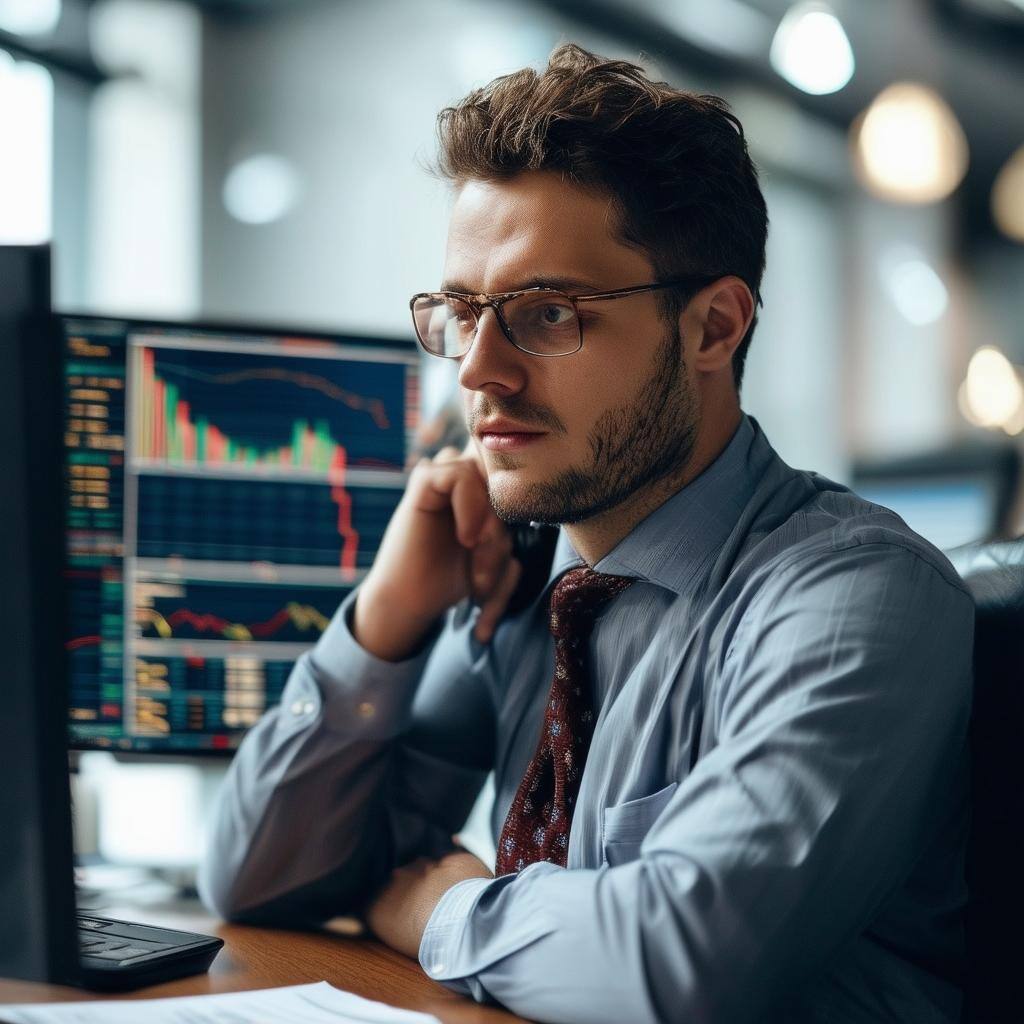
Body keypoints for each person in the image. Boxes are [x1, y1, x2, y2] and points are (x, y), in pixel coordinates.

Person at [199, 44, 974, 1024]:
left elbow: (686, 954)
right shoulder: (526, 570)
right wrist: (386, 623)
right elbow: (258, 882)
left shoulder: (853, 597)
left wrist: (444, 910)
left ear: (712, 328)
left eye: (545, 313)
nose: (477, 373)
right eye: (461, 313)